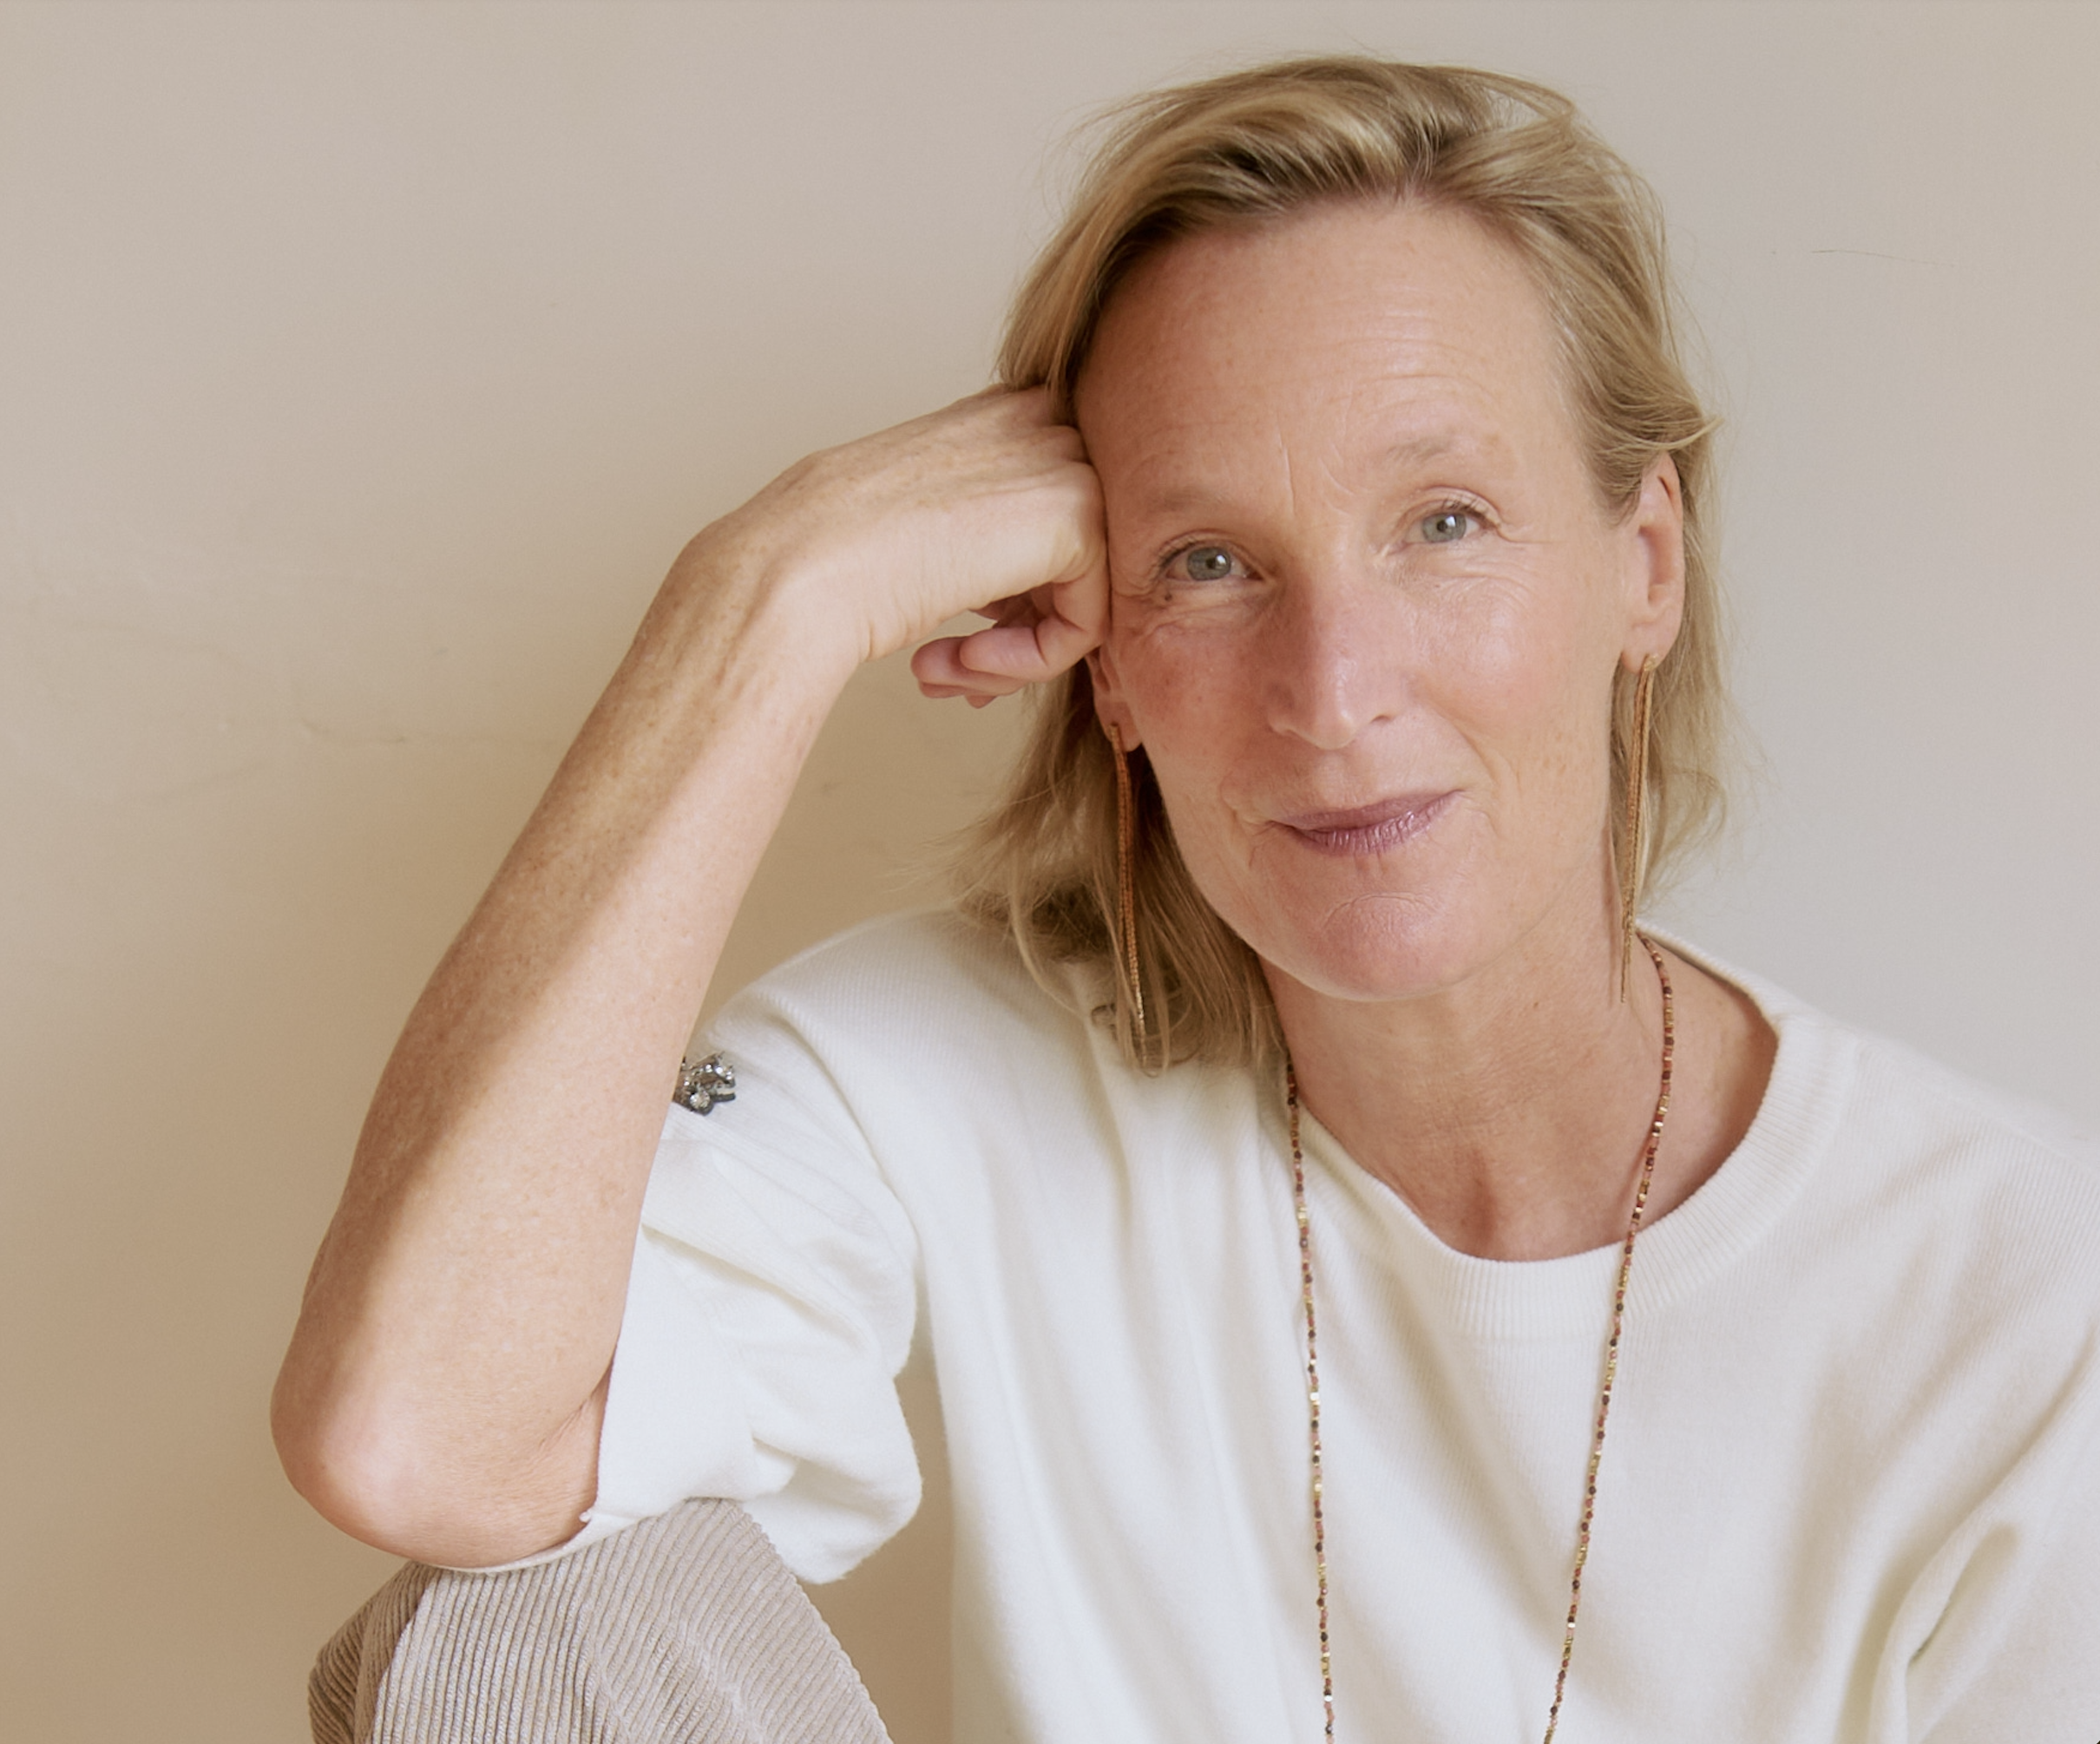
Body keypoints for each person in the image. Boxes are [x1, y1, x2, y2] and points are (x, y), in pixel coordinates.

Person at [272, 56, 2100, 1744]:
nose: (1333, 689)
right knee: (542, 1609)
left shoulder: (2017, 1299)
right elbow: (418, 1433)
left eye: (1442, 522)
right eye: (1208, 562)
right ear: (1108, 670)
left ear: (1642, 567)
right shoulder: (940, 1075)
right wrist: (773, 591)